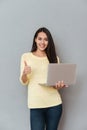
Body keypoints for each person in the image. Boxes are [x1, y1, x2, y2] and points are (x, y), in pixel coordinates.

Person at [19, 27, 68, 130]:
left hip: (54, 105)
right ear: (35, 39)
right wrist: (24, 73)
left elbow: (55, 85)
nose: (42, 42)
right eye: (40, 39)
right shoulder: (26, 56)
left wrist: (59, 85)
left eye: (46, 39)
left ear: (49, 42)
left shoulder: (55, 58)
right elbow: (24, 81)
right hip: (36, 105)